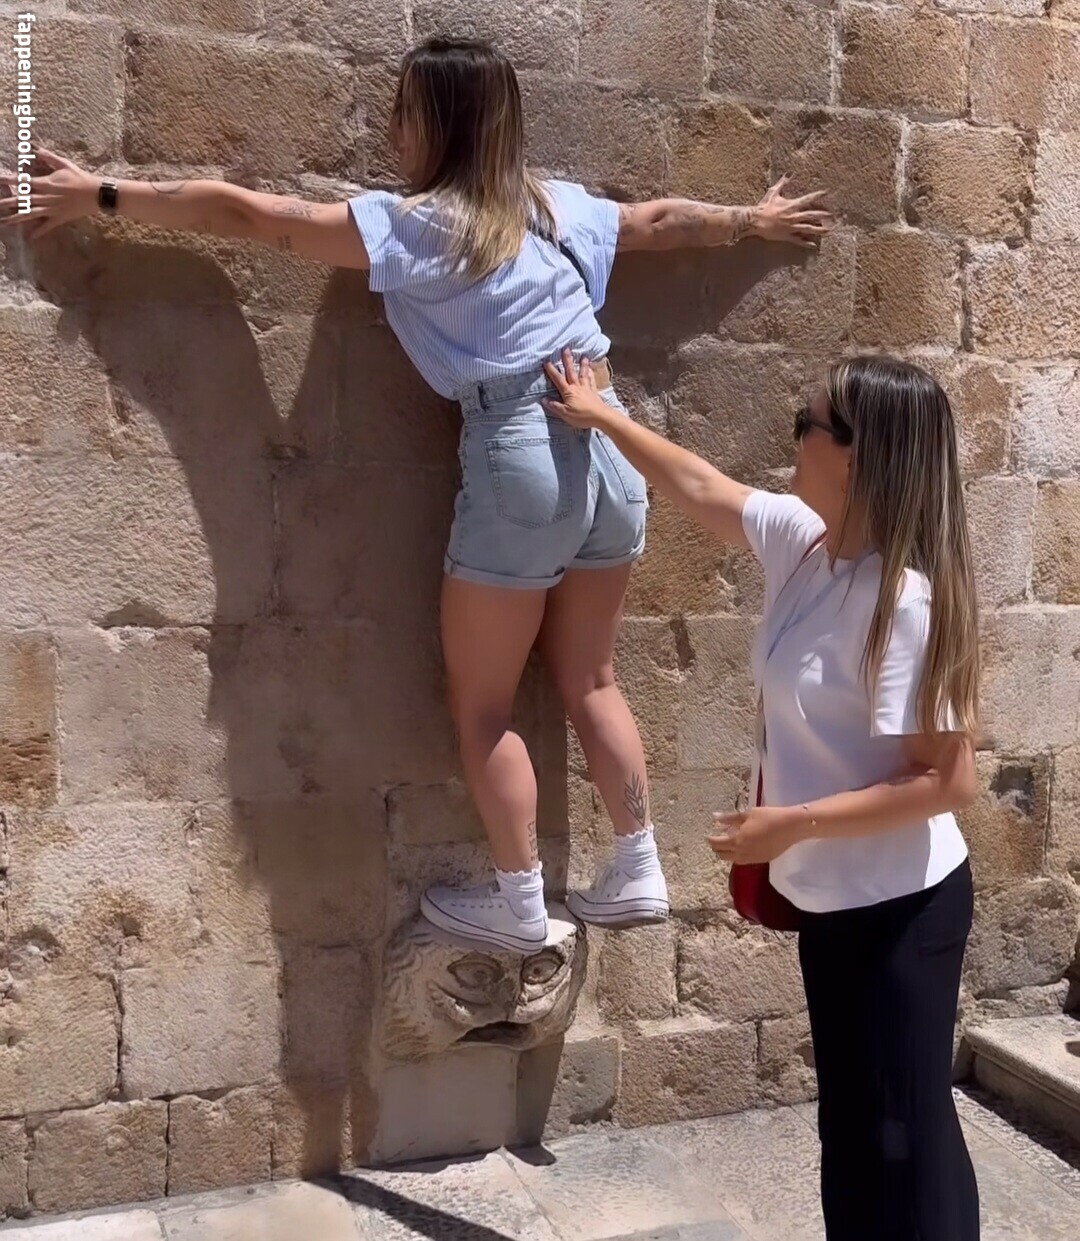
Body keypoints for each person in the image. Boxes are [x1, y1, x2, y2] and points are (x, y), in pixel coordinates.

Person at [1, 38, 832, 955]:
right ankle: (638, 865)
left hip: (520, 446)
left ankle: (520, 900)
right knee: (592, 676)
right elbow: (656, 221)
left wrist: (100, 193)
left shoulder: (420, 227)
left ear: (436, 123)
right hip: (610, 448)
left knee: (482, 705)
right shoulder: (553, 207)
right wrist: (749, 220)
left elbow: (248, 214)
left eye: (403, 111)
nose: (391, 128)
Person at [543, 350, 981, 1241]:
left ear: (856, 456)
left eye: (805, 423)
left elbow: (947, 780)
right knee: (851, 1133)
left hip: (903, 909)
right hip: (831, 898)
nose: (792, 434)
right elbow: (699, 485)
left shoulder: (904, 602)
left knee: (906, 1139)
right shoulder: (805, 543)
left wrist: (792, 824)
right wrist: (604, 417)